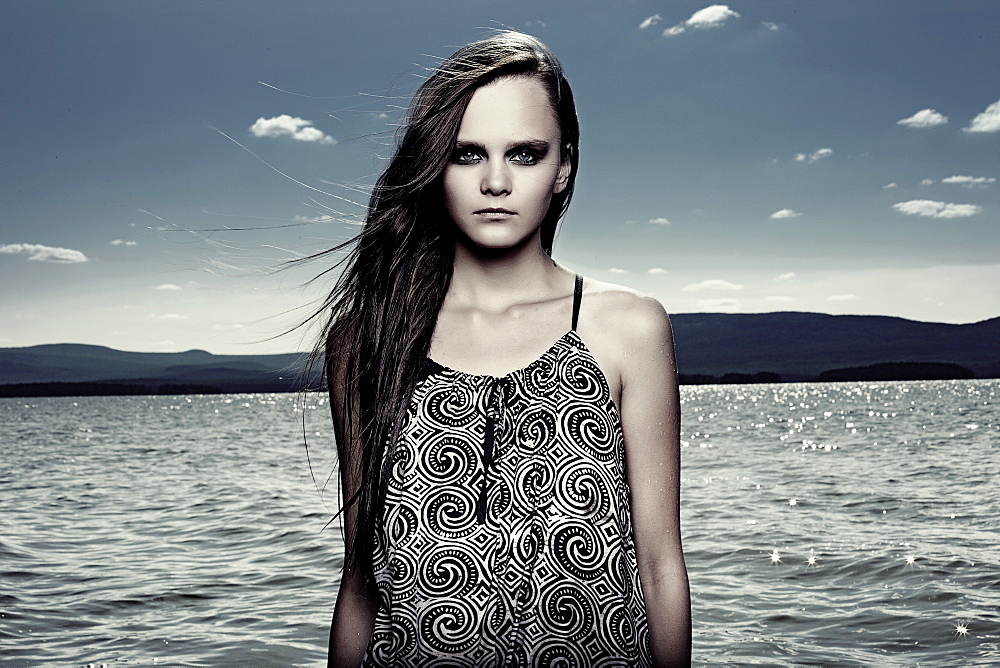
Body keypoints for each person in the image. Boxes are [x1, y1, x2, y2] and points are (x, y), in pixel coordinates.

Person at [321, 31, 690, 666]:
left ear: (563, 165)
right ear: (434, 167)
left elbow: (660, 567)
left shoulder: (628, 329)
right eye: (466, 155)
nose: (495, 181)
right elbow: (359, 581)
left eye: (524, 153)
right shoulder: (365, 340)